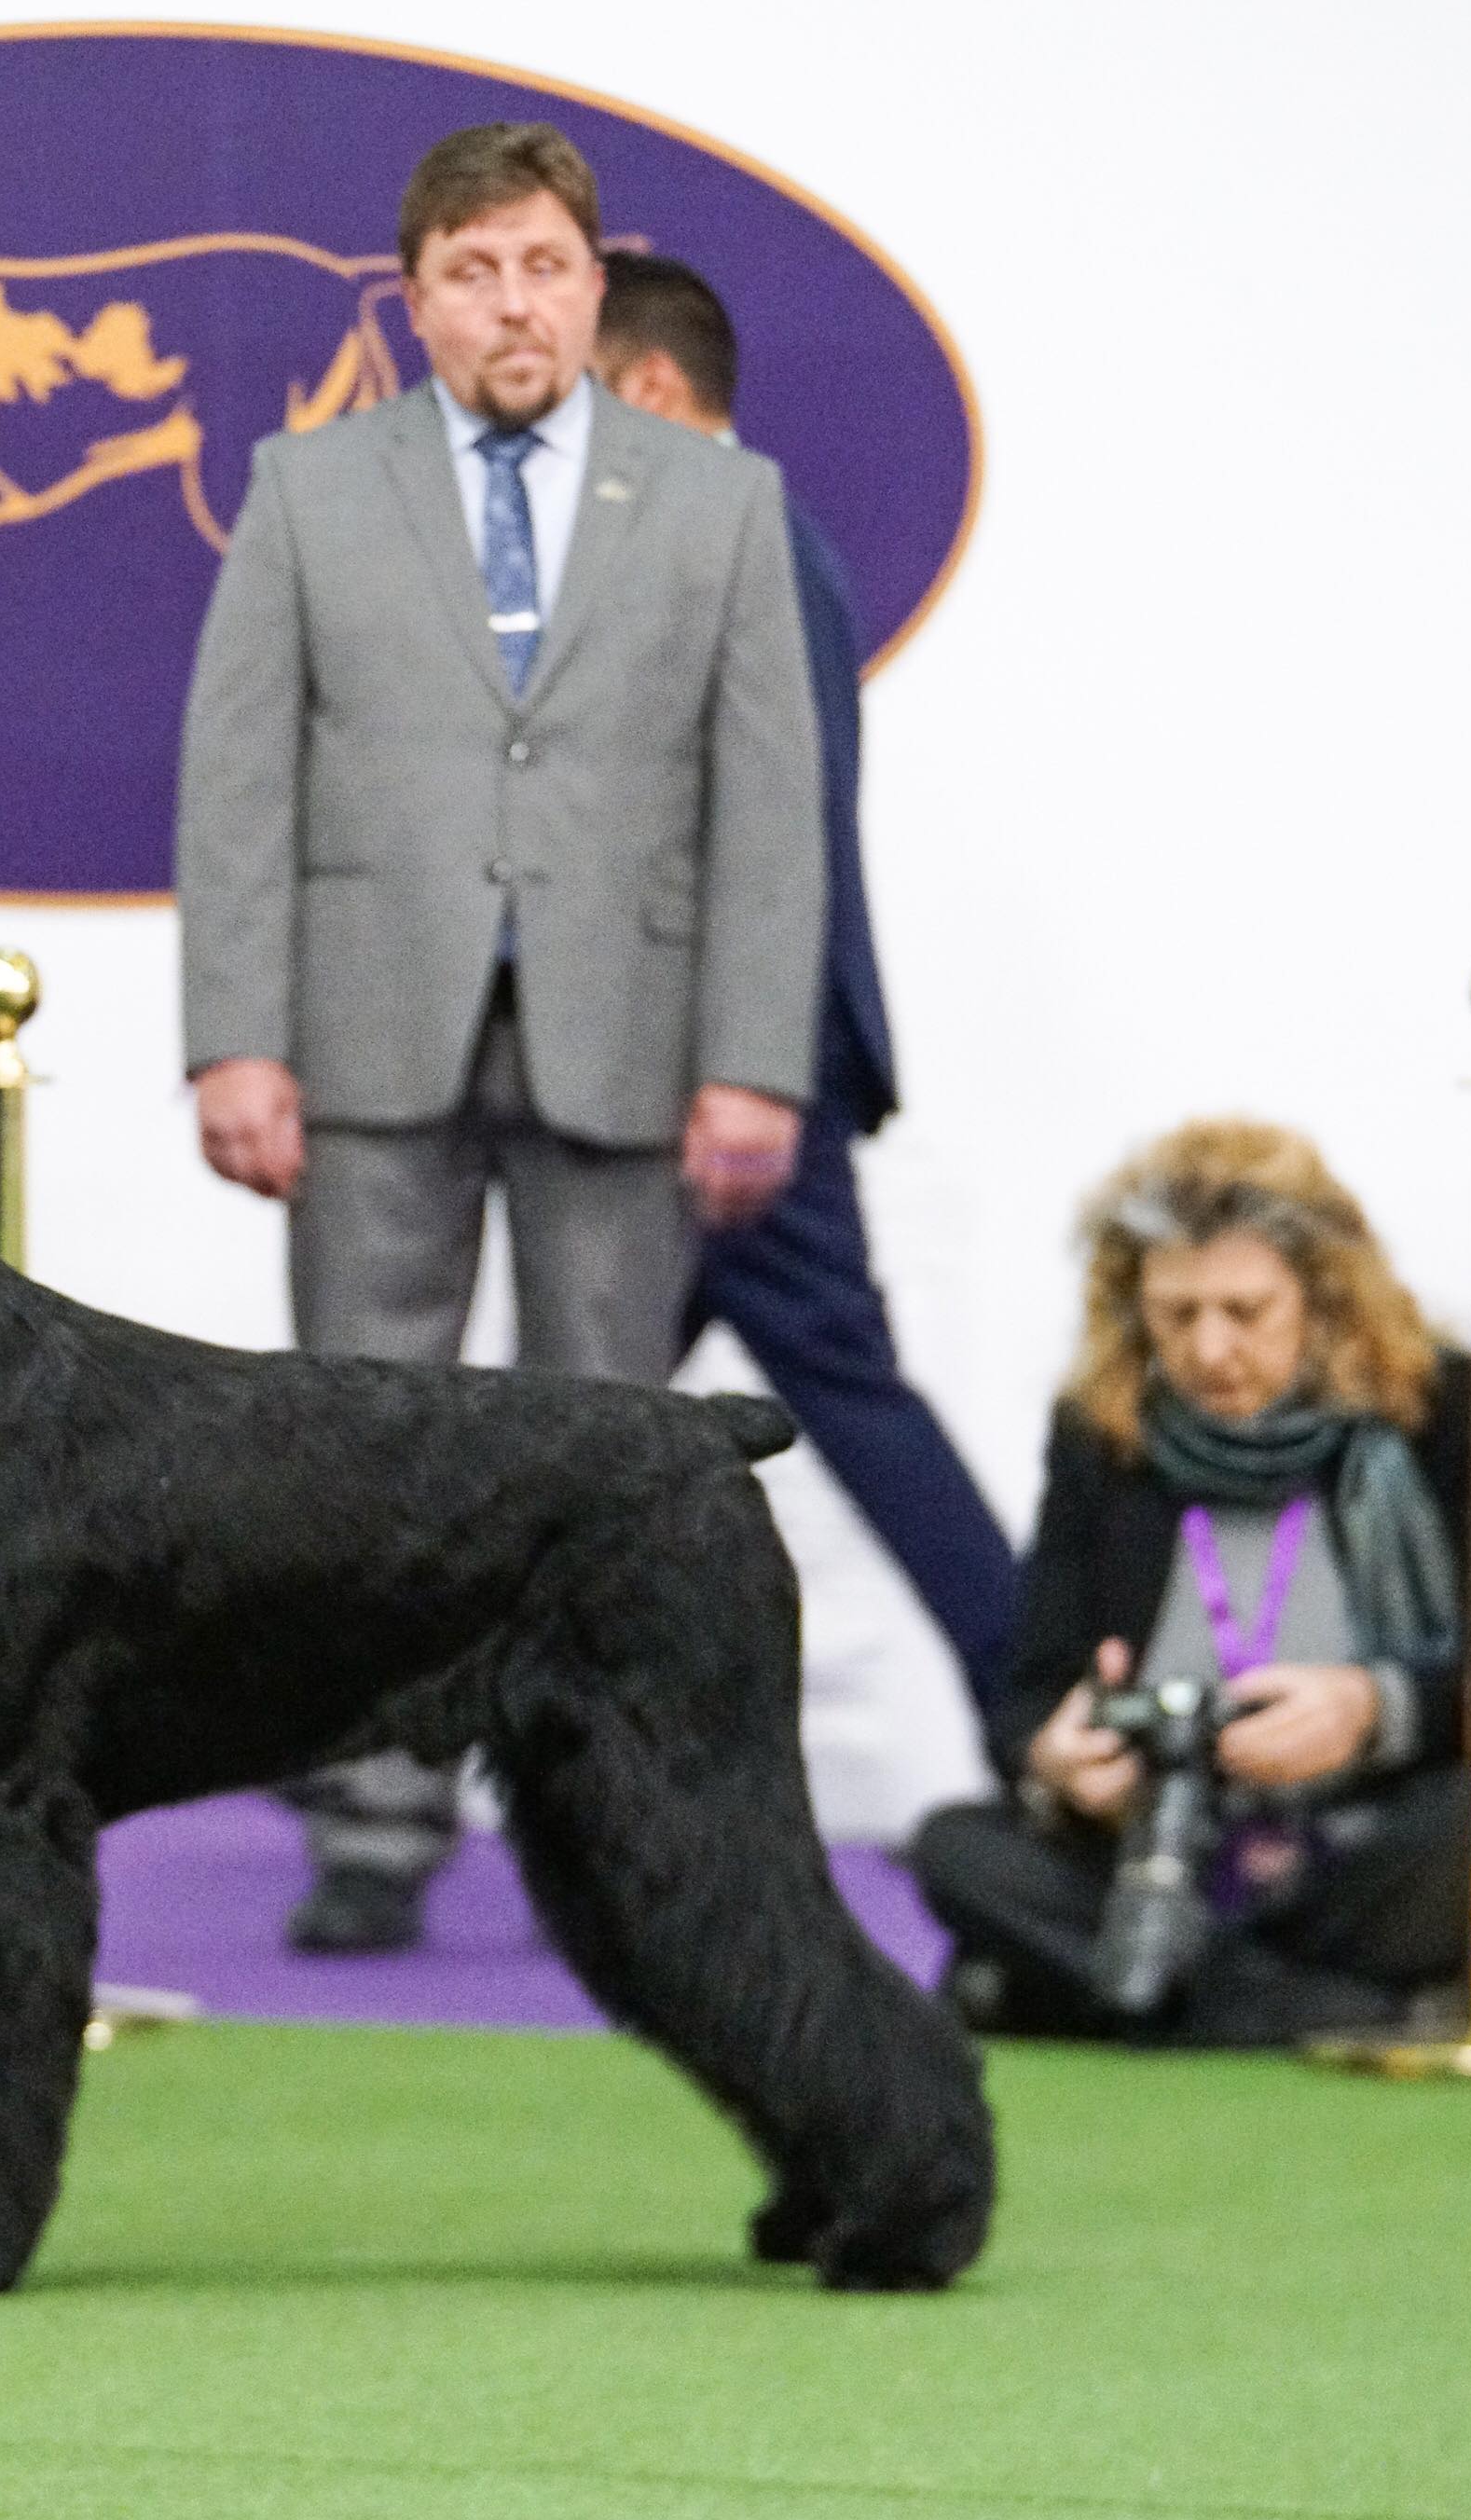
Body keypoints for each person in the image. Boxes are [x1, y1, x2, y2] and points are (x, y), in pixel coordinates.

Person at [176, 122, 826, 1954]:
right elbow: (233, 784)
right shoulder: (303, 487)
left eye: (541, 265)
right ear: (414, 303)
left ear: (592, 282)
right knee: (353, 1460)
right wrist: (234, 1036)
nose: (510, 303)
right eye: (471, 272)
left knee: (610, 1450)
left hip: (629, 1037)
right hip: (360, 1031)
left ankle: (605, 1810)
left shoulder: (718, 503)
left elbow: (768, 804)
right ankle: (370, 1820)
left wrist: (751, 1058)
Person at [908, 1119, 1471, 2045]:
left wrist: (1372, 1708)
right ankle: (1346, 2013)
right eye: (1176, 1314)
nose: (1210, 1350)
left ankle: (1133, 1992)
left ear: (1323, 1299)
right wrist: (1058, 1757)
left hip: (1367, 1834)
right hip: (1167, 1842)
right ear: (1134, 1309)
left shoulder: (1452, 1408)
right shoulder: (1099, 1431)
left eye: (1245, 1311)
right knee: (957, 1847)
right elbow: (1028, 1698)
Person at [592, 250, 1021, 1710]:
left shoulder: (744, 537)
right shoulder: (750, 538)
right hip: (712, 1065)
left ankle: (1049, 1717)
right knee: (580, 1420)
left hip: (736, 1072)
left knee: (589, 1424)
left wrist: (746, 1070)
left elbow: (777, 832)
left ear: (649, 388)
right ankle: (1050, 1719)